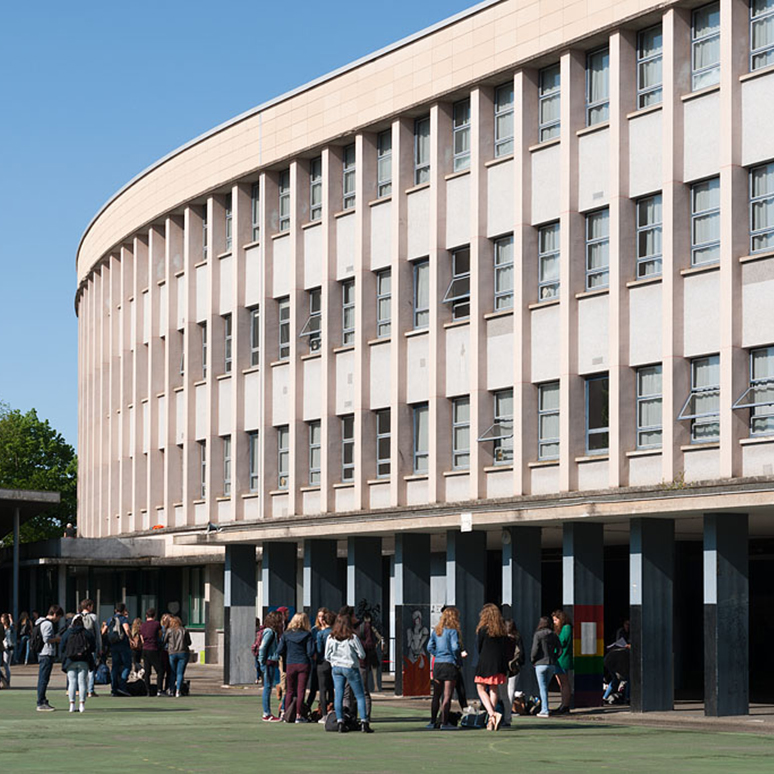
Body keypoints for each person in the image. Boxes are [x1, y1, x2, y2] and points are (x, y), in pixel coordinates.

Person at [325, 613, 373, 733]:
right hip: (350, 667)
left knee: (339, 695)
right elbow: (362, 654)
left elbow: (327, 655)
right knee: (360, 695)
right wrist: (354, 657)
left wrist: (333, 662)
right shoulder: (352, 637)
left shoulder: (331, 637)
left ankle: (340, 722)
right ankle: (364, 722)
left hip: (336, 667)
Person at [426, 606, 462, 730]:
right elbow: (455, 647)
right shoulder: (453, 631)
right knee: (447, 696)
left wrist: (438, 654)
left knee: (436, 695)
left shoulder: (436, 631)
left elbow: (429, 647)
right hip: (449, 663)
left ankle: (432, 721)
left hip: (438, 664)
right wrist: (456, 656)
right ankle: (444, 723)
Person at [474, 603, 509, 731]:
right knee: (494, 689)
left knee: (481, 688)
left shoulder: (482, 630)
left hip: (485, 662)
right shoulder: (502, 630)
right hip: (499, 663)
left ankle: (492, 714)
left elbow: (479, 647)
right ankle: (491, 721)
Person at [277, 612, 315, 724]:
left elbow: (279, 650)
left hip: (290, 664)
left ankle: (287, 714)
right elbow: (310, 651)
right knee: (301, 690)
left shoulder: (286, 634)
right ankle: (299, 715)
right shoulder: (307, 635)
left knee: (289, 690)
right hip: (303, 663)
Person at [60, 615, 95, 713]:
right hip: (84, 659)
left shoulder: (67, 633)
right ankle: (82, 705)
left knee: (72, 682)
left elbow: (62, 647)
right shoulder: (87, 633)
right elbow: (93, 647)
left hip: (70, 660)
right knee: (82, 682)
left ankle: (72, 705)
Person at [531, 616, 561, 718]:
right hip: (551, 663)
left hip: (540, 663)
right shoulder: (553, 635)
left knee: (542, 688)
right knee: (545, 687)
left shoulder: (538, 634)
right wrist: (555, 657)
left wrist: (533, 660)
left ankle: (544, 709)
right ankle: (544, 707)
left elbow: (535, 649)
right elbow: (560, 649)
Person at [35, 605, 63, 711]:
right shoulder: (47, 624)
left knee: (43, 678)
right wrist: (57, 639)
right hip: (46, 653)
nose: (58, 620)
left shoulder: (40, 622)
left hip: (42, 653)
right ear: (55, 614)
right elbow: (47, 639)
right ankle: (41, 702)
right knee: (43, 679)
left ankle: (42, 700)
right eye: (59, 617)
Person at [101, 602, 132, 697]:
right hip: (123, 645)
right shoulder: (123, 619)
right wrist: (131, 639)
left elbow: (103, 631)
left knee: (115, 666)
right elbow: (127, 629)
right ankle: (122, 686)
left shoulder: (110, 619)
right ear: (123, 610)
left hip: (113, 645)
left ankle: (114, 688)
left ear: (115, 610)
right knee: (127, 665)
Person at [498, 618, 525, 727]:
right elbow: (521, 653)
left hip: (503, 668)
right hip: (514, 667)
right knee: (511, 691)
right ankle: (508, 717)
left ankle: (502, 715)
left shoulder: (501, 639)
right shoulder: (517, 638)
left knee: (502, 693)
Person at [258, 611, 283, 721]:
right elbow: (262, 647)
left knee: (268, 687)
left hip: (270, 662)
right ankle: (266, 713)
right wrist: (262, 662)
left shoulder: (272, 632)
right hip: (268, 662)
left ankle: (267, 713)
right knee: (267, 688)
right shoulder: (270, 632)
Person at [78, 599, 102, 698]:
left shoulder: (77, 617)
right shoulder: (93, 617)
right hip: (91, 647)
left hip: (79, 647)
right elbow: (97, 634)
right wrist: (99, 647)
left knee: (80, 668)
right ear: (89, 607)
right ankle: (90, 690)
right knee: (91, 668)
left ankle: (79, 689)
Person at [552, 608, 573, 714]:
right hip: (558, 658)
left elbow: (562, 642)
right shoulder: (563, 629)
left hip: (563, 658)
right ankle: (563, 704)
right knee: (561, 683)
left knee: (564, 682)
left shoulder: (566, 628)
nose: (554, 622)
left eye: (556, 620)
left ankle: (566, 705)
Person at [164, 615, 191, 697]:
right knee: (180, 673)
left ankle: (171, 689)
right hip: (183, 652)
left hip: (172, 652)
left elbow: (164, 640)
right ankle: (178, 691)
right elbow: (189, 642)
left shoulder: (169, 631)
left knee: (172, 672)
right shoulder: (184, 630)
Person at [357, 611, 383, 693]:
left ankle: (373, 686)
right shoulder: (370, 627)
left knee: (366, 670)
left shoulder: (361, 627)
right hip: (371, 651)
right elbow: (380, 637)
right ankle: (375, 686)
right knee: (373, 670)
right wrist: (376, 644)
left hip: (366, 651)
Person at [315, 610, 335, 717]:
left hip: (323, 662)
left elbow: (319, 650)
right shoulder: (335, 632)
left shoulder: (320, 633)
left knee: (322, 689)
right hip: (334, 662)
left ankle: (324, 713)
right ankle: (332, 709)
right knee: (332, 687)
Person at [140, 608, 164, 695]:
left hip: (145, 649)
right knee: (160, 670)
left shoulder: (142, 625)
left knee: (147, 671)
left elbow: (142, 638)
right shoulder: (157, 624)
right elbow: (161, 634)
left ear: (146, 616)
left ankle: (148, 691)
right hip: (153, 648)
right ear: (154, 615)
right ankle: (159, 690)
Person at [1, 613, 14, 685]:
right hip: (7, 646)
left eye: (2, 619)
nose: (1, 621)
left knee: (6, 665)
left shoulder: (6, 628)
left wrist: (10, 618)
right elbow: (12, 623)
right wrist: (10, 618)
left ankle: (7, 680)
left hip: (7, 647)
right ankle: (6, 679)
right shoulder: (8, 627)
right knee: (6, 664)